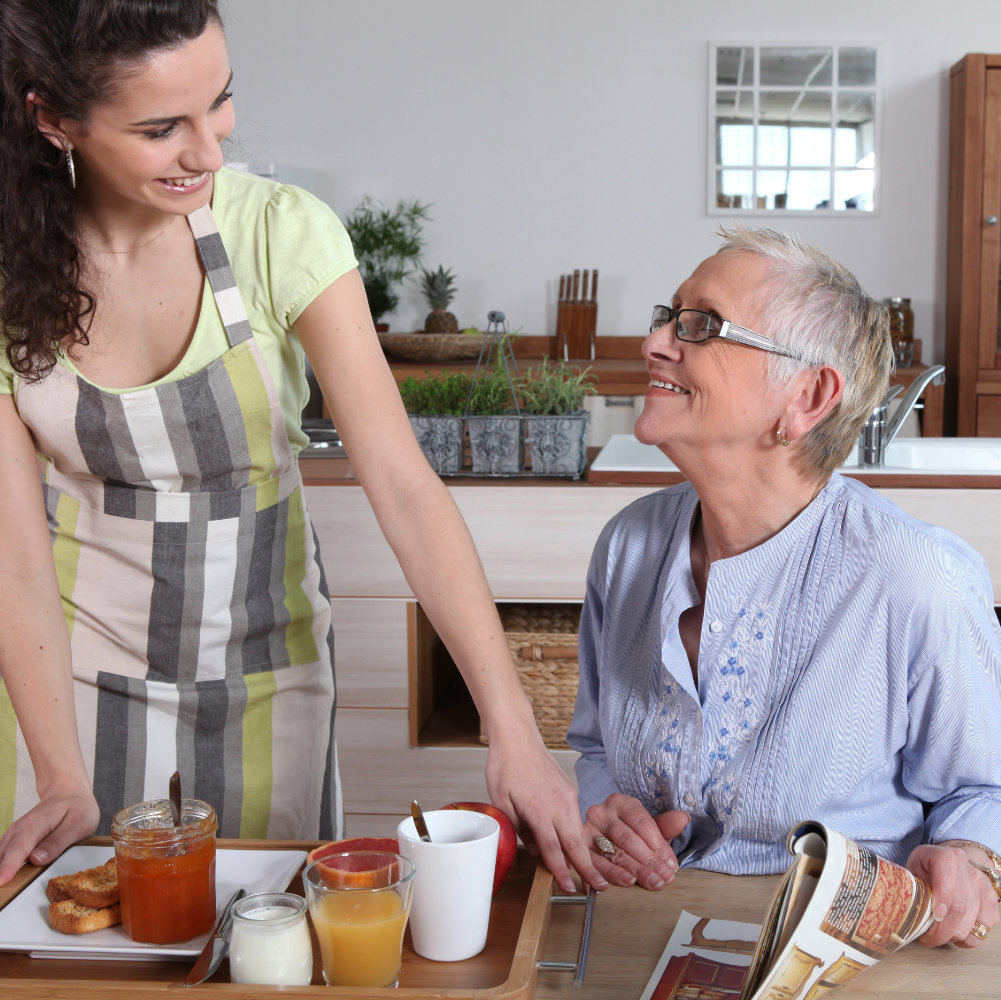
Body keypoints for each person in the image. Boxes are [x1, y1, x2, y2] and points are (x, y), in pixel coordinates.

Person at [0, 0, 599, 894]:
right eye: (162, 128)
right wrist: (59, 772)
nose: (209, 152)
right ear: (52, 119)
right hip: (74, 681)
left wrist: (511, 725)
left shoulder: (277, 231)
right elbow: (13, 557)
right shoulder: (11, 270)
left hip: (269, 670)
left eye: (221, 103)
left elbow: (403, 485)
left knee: (261, 938)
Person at [567, 226, 1001, 948]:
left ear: (805, 396)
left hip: (844, 954)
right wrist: (601, 805)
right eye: (665, 316)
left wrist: (967, 859)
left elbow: (985, 787)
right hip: (635, 933)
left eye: (699, 324)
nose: (654, 343)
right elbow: (591, 747)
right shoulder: (627, 546)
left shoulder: (913, 575)